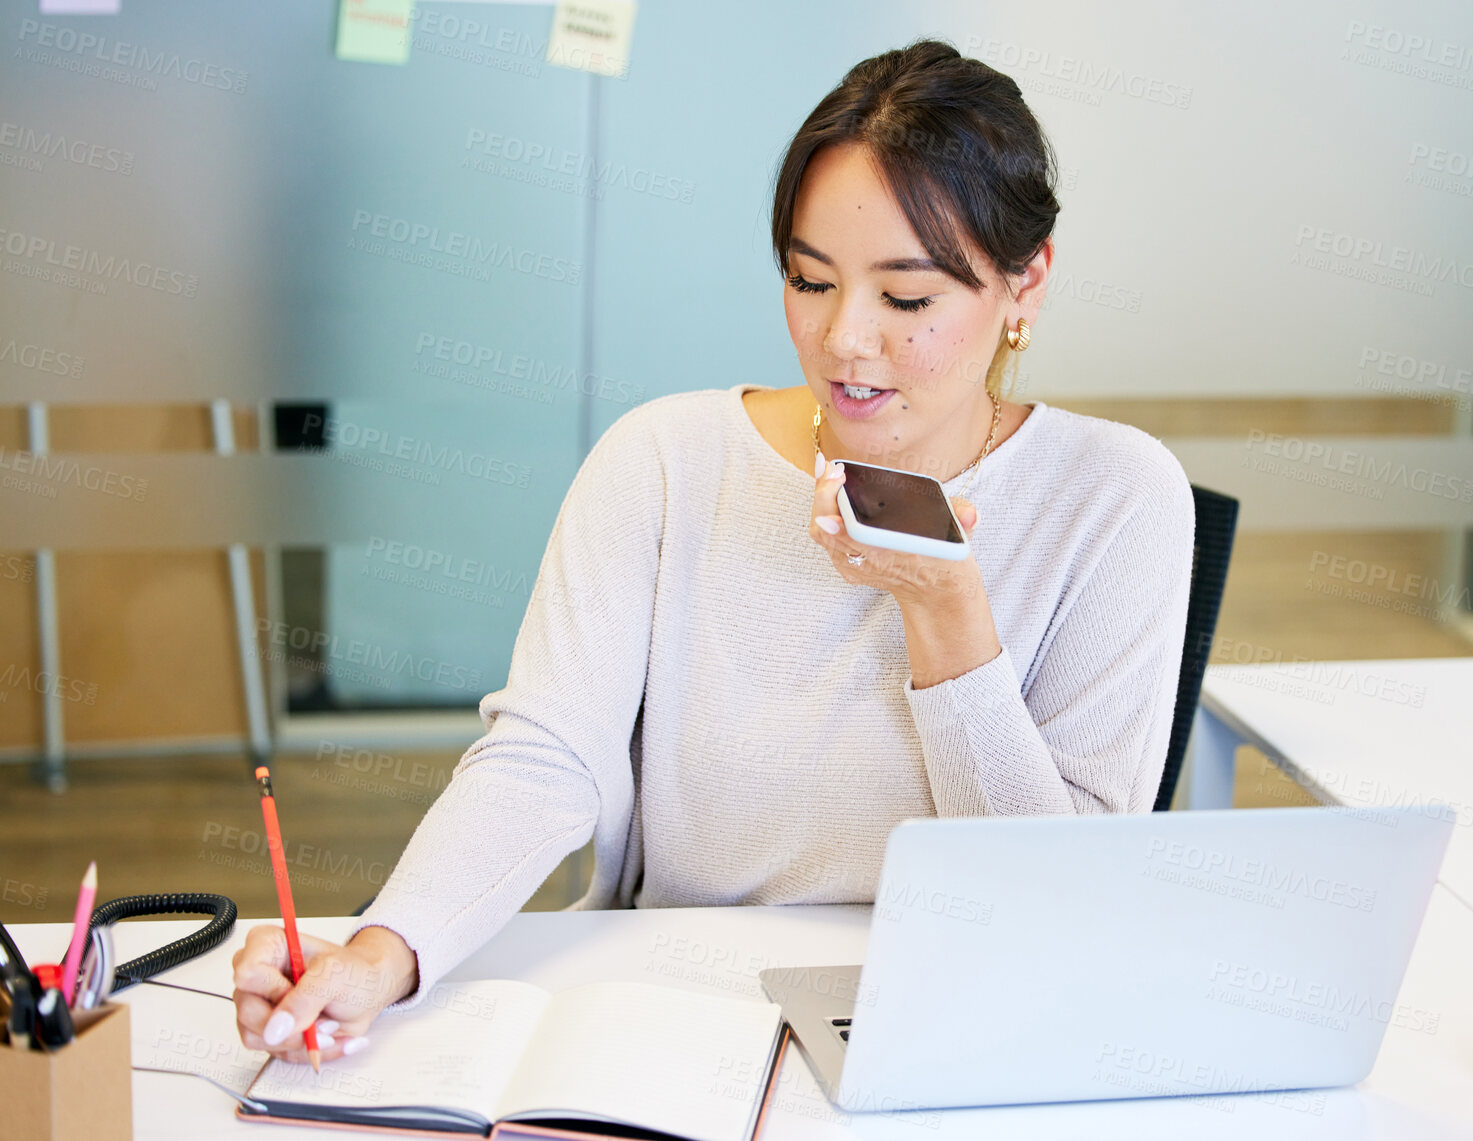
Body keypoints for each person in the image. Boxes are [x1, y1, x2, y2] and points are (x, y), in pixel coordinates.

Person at [233, 36, 1195, 1066]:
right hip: (671, 1010)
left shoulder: (1118, 497)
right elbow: (545, 754)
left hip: (959, 1024)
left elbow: (1056, 906)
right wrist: (389, 948)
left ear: (1024, 286)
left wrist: (947, 615)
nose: (843, 340)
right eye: (809, 279)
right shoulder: (666, 459)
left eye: (906, 299)